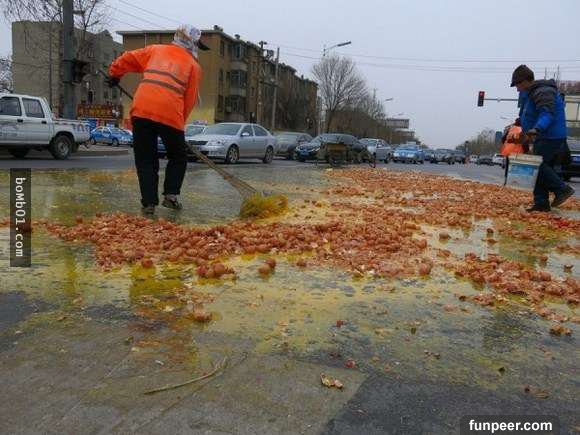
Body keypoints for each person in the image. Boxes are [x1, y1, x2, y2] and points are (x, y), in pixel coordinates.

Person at [108, 25, 208, 214]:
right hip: (171, 114)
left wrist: (115, 74)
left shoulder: (155, 50)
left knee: (146, 159)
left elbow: (128, 58)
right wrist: (179, 125)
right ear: (192, 43)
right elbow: (189, 100)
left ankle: (149, 204)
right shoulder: (194, 67)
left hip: (141, 111)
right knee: (178, 157)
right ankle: (170, 196)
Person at [511, 64, 574, 212]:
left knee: (537, 166)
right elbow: (532, 114)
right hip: (544, 136)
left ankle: (561, 189)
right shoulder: (532, 93)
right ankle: (541, 203)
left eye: (517, 85)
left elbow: (547, 114)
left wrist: (537, 129)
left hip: (550, 136)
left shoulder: (542, 91)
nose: (517, 89)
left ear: (524, 81)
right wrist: (521, 124)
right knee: (540, 170)